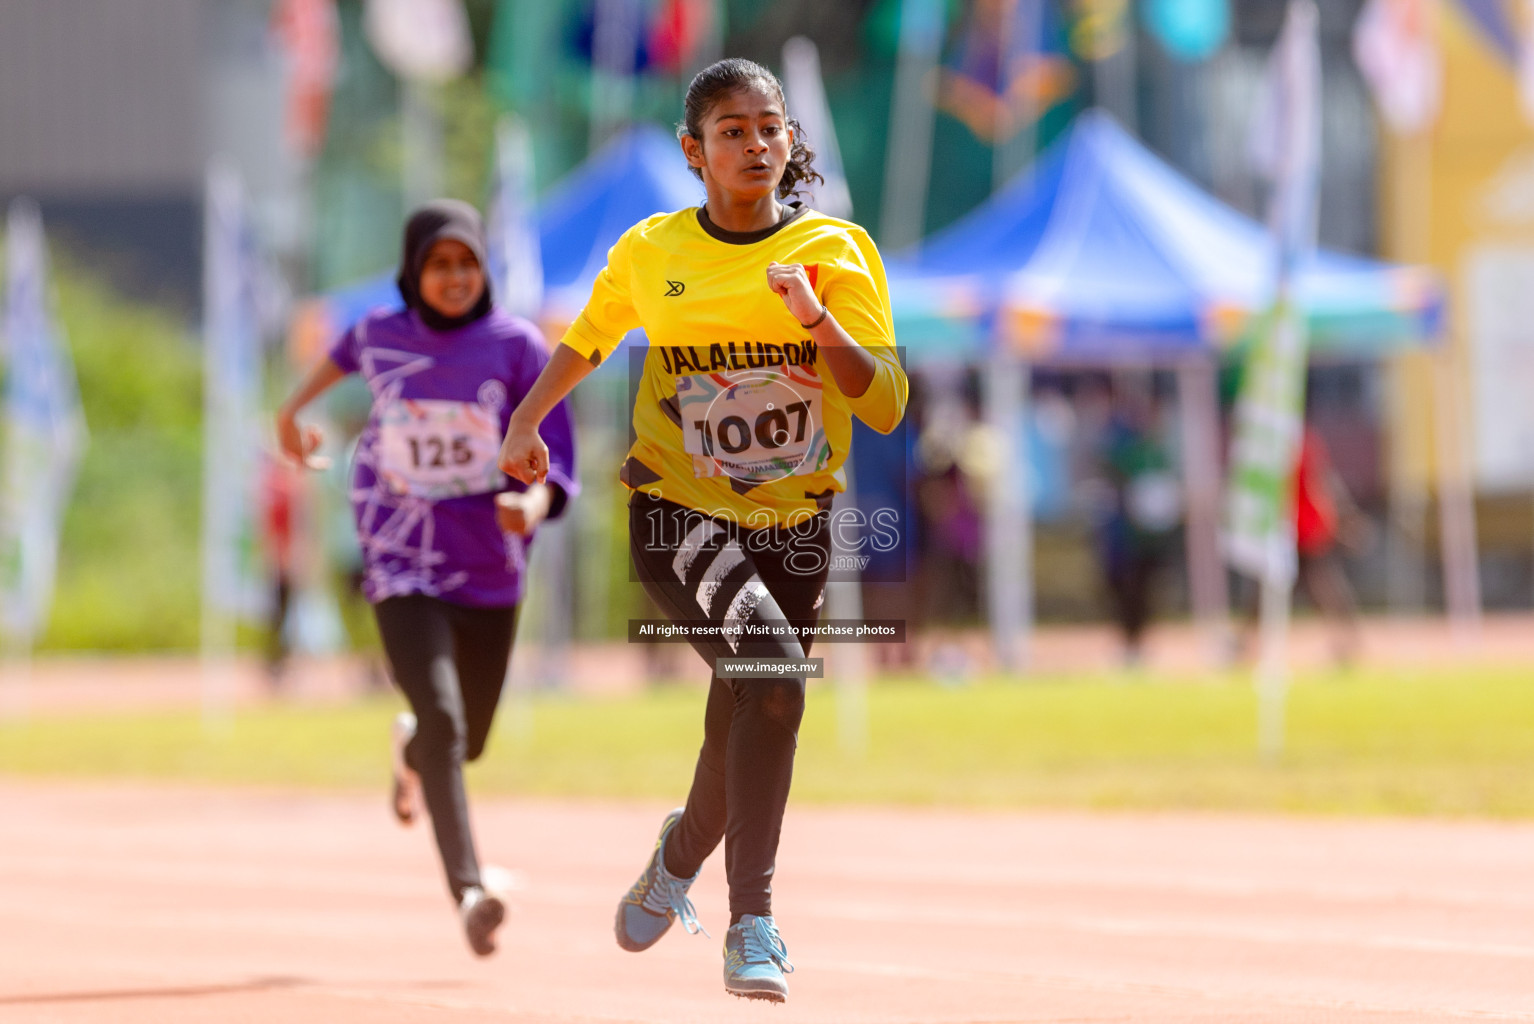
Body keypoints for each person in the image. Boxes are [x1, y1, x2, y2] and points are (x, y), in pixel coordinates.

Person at [498, 58, 907, 1003]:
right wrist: (526, 421)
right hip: (677, 506)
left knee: (756, 702)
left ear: (791, 140)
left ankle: (675, 860)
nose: (756, 144)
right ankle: (752, 923)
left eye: (770, 127)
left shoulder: (839, 253)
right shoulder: (653, 252)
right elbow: (588, 338)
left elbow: (883, 404)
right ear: (695, 152)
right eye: (733, 130)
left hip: (795, 523)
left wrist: (816, 324)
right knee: (771, 670)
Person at [275, 200, 577, 958]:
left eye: (466, 263)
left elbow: (558, 463)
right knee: (444, 720)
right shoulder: (381, 334)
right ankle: (470, 890)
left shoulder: (517, 347)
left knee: (461, 740)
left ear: (485, 270)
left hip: (490, 566)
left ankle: (410, 754)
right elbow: (333, 359)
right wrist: (290, 416)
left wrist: (530, 503)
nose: (453, 278)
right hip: (399, 554)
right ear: (414, 272)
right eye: (439, 265)